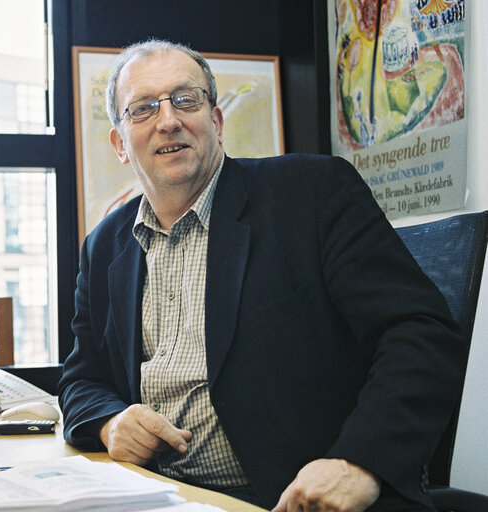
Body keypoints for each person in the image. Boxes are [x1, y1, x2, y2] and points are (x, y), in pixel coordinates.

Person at [57, 39, 467, 512]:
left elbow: (421, 334)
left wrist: (359, 462)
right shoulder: (105, 244)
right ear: (119, 143)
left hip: (284, 499)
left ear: (216, 120)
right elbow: (81, 377)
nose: (168, 119)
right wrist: (110, 423)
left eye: (186, 100)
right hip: (157, 497)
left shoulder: (312, 194)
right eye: (144, 108)